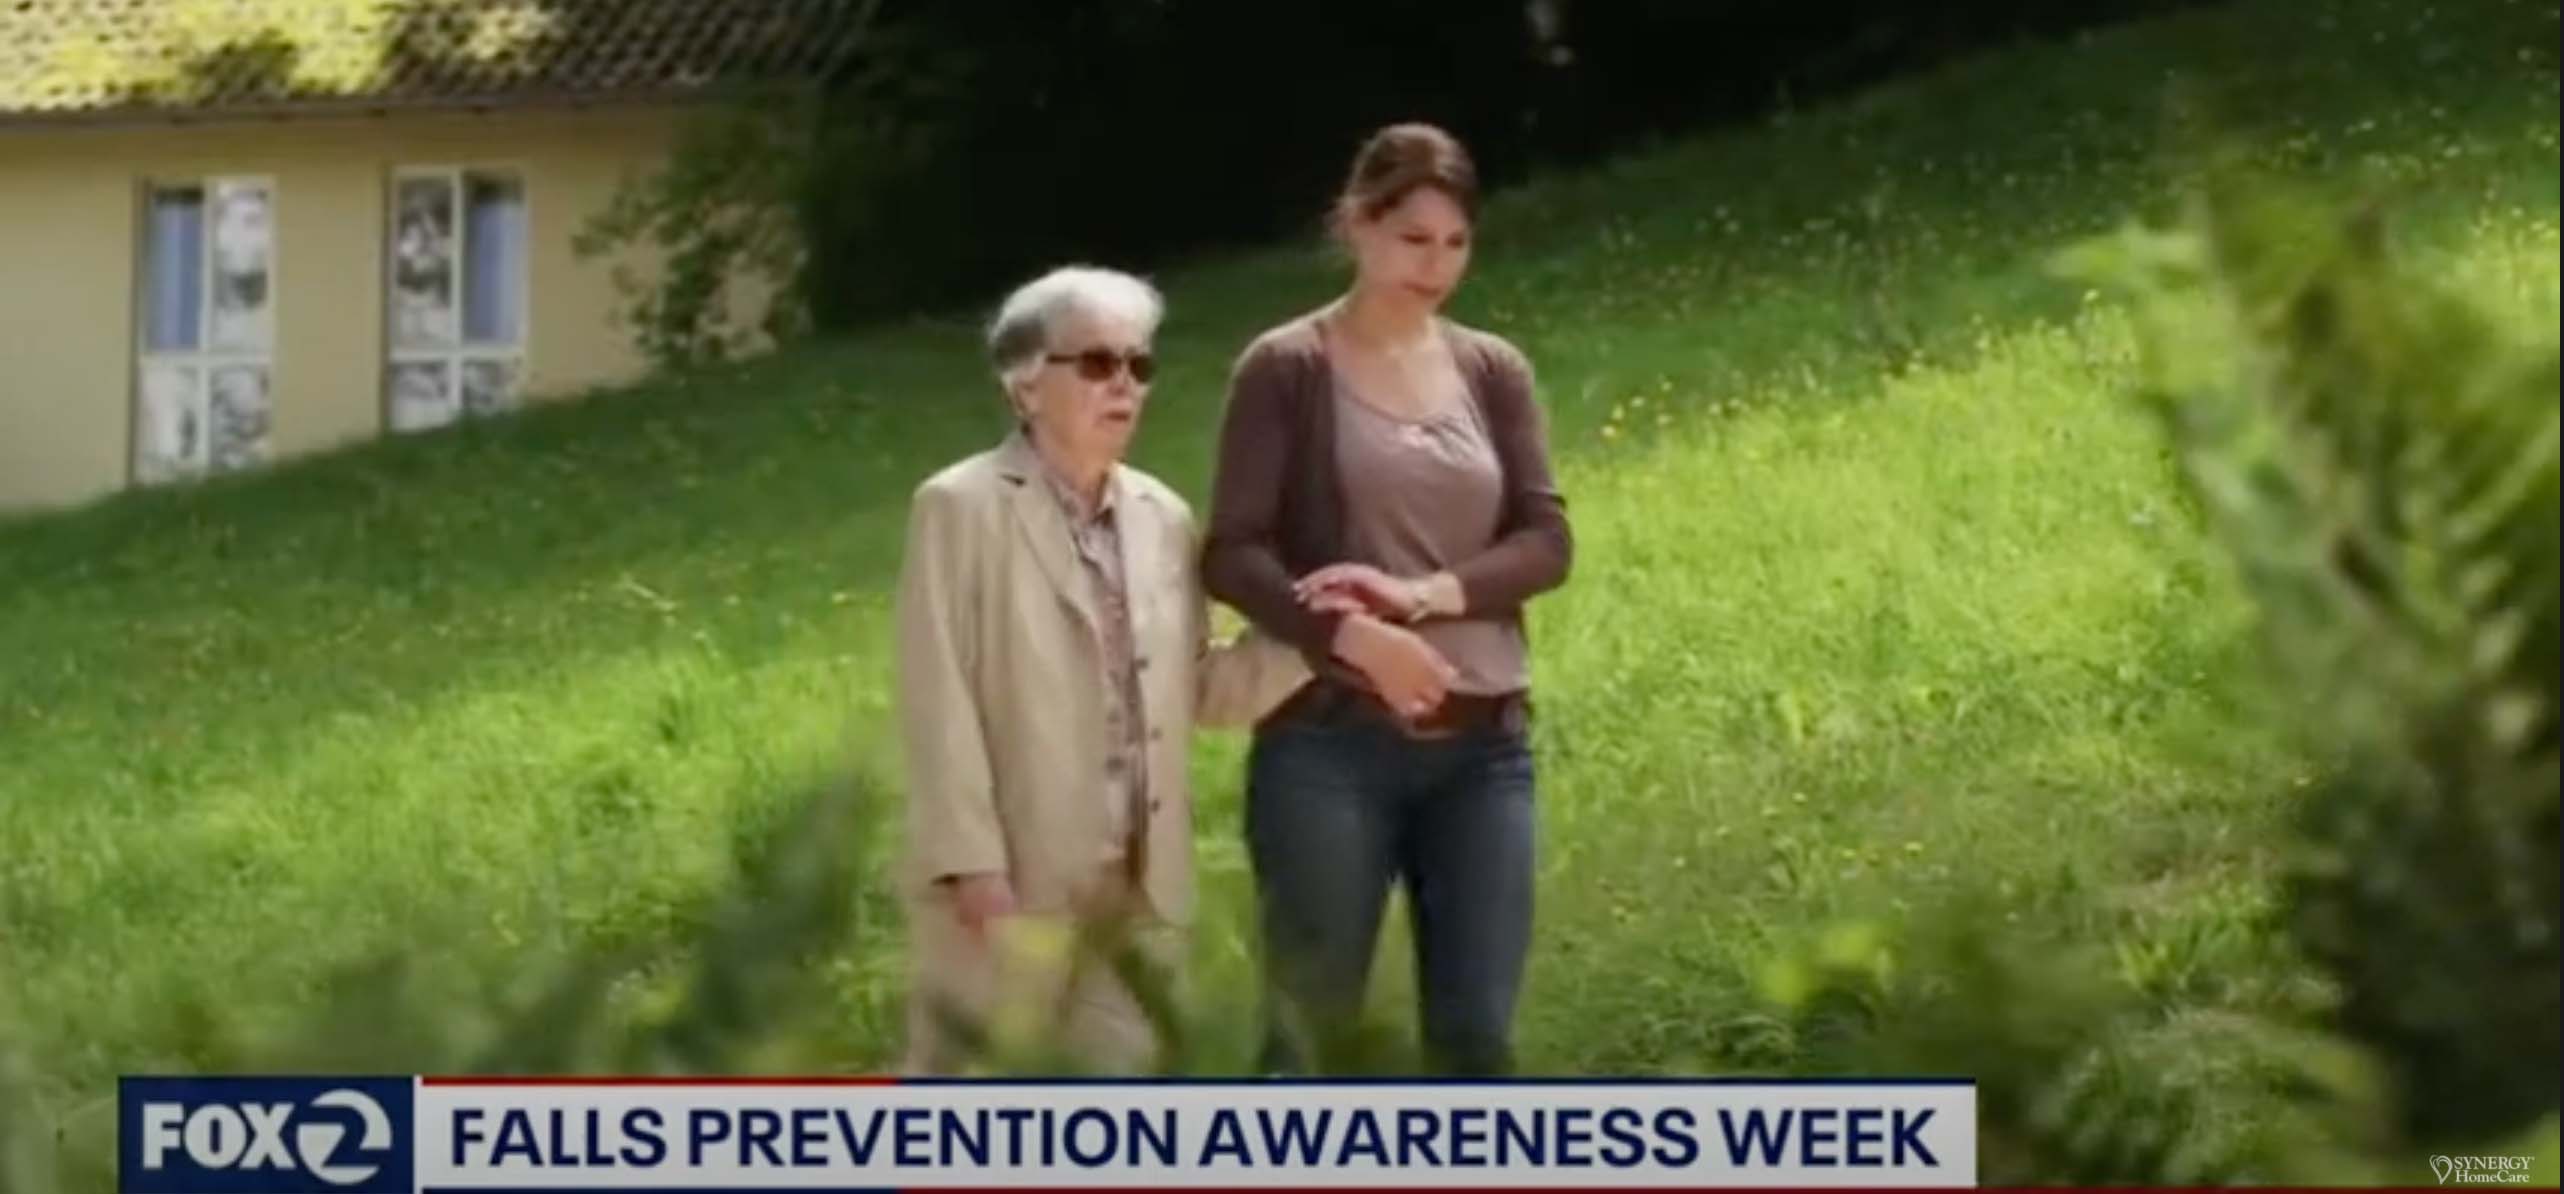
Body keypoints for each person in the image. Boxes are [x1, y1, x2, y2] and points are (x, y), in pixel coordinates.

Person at [1202, 123, 1573, 1075]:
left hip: (1485, 753)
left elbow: (1546, 541)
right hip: (1329, 750)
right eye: (1413, 239)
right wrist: (1351, 636)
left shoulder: (1492, 371)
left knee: (1477, 1045)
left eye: (1455, 243)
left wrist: (1420, 596)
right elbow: (1232, 555)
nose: (1435, 266)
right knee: (1308, 1047)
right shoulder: (1286, 368)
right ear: (1359, 225)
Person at [897, 265, 1308, 1074]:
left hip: (1137, 894)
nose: (1124, 384)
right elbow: (936, 695)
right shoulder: (958, 507)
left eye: (1138, 365)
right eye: (1096, 363)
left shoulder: (1164, 517)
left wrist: (1318, 640)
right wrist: (973, 866)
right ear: (1024, 387)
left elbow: (1199, 689)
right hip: (1011, 884)